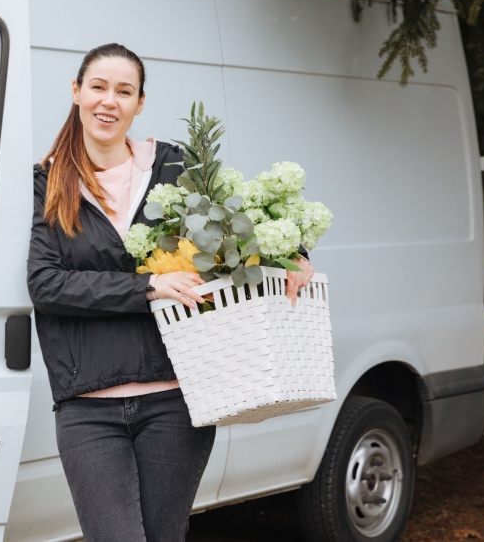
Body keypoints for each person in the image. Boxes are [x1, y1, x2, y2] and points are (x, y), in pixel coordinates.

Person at [27, 43, 314, 541]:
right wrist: (148, 286)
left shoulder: (173, 168)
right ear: (76, 93)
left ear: (139, 104)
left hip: (176, 399)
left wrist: (296, 253)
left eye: (124, 91)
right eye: (97, 87)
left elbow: (246, 221)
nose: (108, 101)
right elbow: (45, 284)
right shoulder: (48, 182)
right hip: (86, 404)